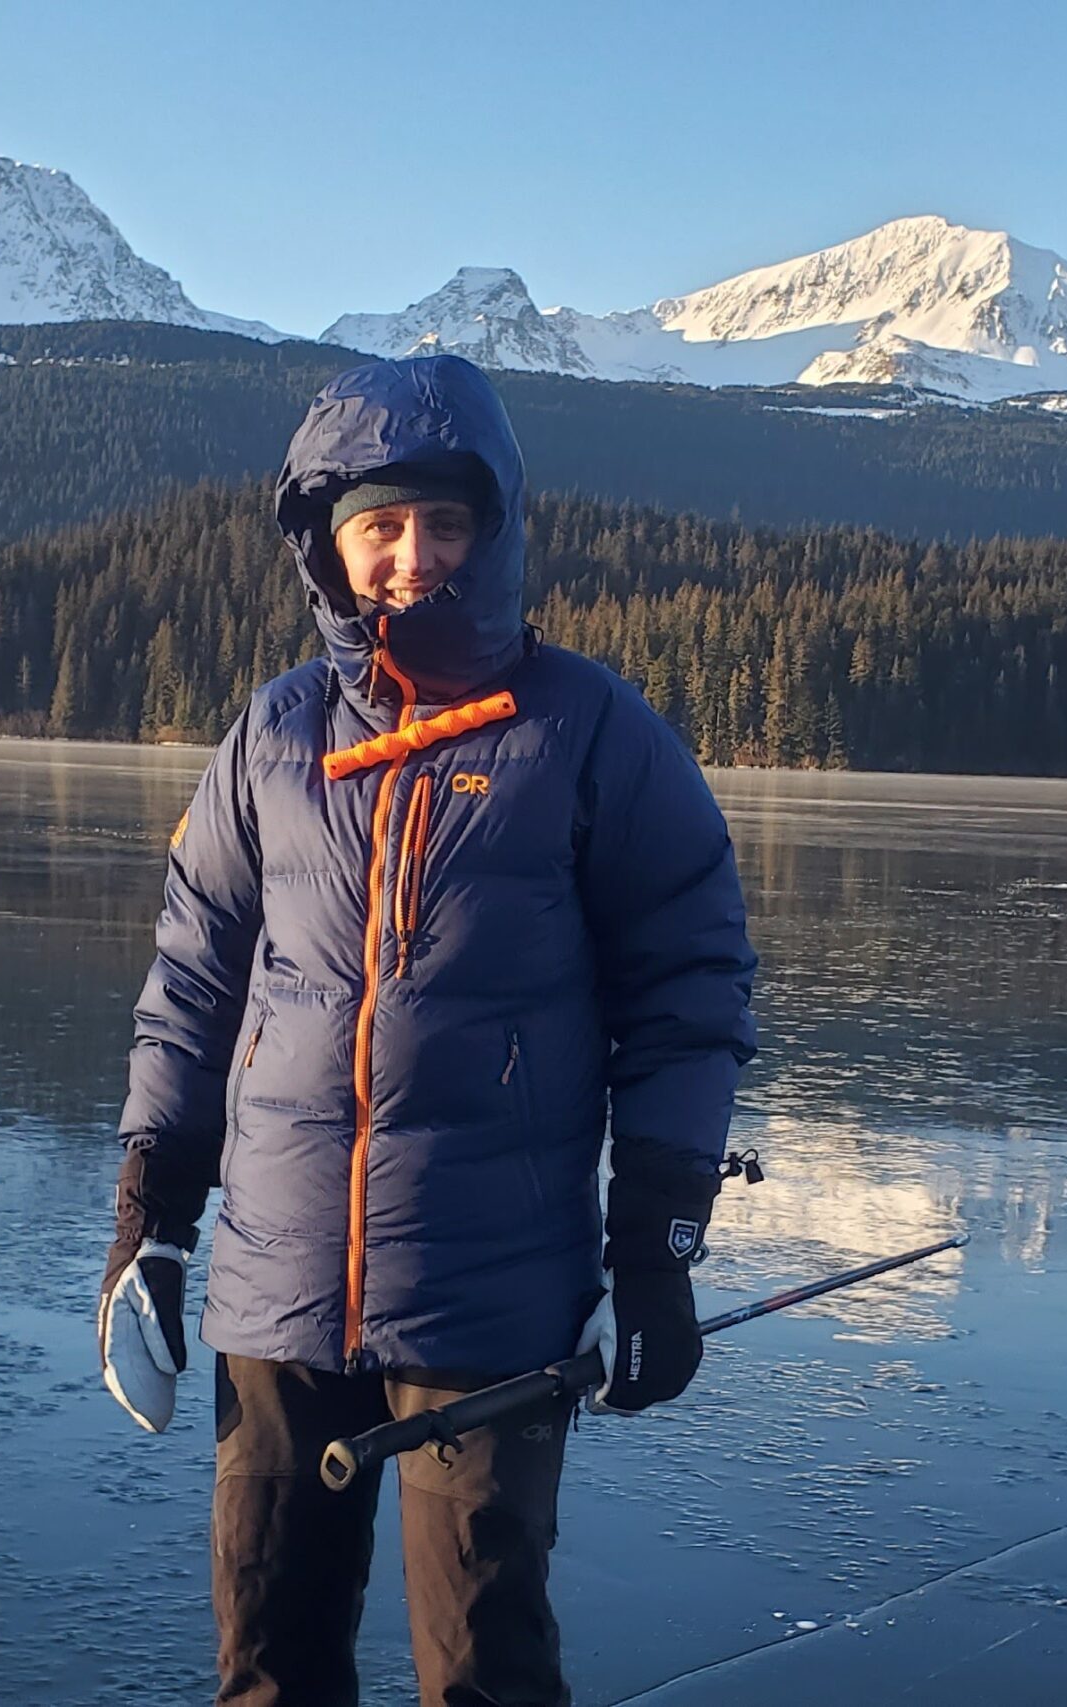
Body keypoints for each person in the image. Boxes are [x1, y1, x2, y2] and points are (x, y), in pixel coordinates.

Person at [99, 353, 757, 1706]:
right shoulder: (274, 738)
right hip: (278, 1292)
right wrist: (151, 1221)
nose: (413, 556)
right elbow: (195, 987)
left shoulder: (589, 733)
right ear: (329, 544)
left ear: (493, 530)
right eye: (381, 525)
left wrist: (657, 1242)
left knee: (485, 1669)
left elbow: (689, 996)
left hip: (488, 1298)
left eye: (445, 522)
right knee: (268, 1666)